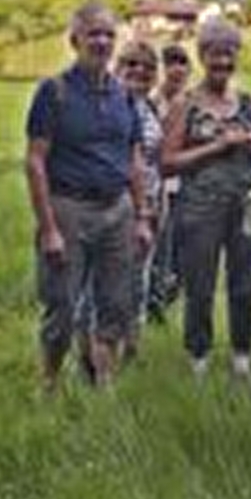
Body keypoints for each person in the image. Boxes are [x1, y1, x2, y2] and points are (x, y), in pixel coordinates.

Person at [25, 1, 153, 392]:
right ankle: (49, 381)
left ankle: (103, 380)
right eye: (93, 33)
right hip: (69, 208)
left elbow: (133, 159)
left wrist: (143, 217)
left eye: (108, 34)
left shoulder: (123, 96)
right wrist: (49, 229)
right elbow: (34, 161)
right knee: (61, 305)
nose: (101, 41)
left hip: (117, 209)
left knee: (115, 304)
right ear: (74, 40)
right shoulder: (55, 92)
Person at [160, 18, 251, 379]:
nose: (223, 63)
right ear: (202, 55)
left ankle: (241, 359)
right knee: (200, 286)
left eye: (229, 54)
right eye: (215, 54)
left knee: (245, 284)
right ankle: (199, 360)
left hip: (245, 206)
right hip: (199, 208)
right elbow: (167, 163)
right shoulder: (186, 104)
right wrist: (219, 146)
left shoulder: (246, 103)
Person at [113, 39, 164, 360]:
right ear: (117, 68)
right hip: (118, 206)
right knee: (110, 280)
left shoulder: (149, 108)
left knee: (138, 280)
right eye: (131, 64)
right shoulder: (110, 107)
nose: (139, 72)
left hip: (151, 204)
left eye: (147, 68)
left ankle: (132, 348)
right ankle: (104, 352)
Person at [147, 41, 193, 322]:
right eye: (171, 63)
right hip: (159, 187)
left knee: (183, 254)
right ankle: (154, 305)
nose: (176, 70)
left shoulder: (194, 103)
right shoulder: (150, 102)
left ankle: (168, 296)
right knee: (158, 250)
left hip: (187, 187)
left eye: (182, 64)